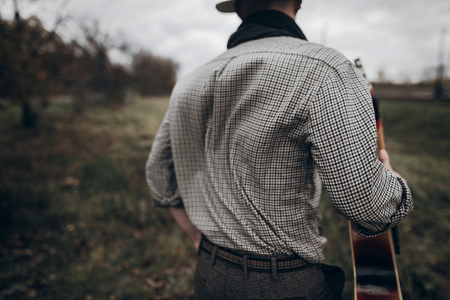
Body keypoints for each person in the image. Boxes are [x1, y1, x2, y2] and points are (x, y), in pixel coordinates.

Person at [145, 0, 413, 299]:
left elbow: (158, 174)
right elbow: (367, 207)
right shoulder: (325, 68)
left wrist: (198, 238)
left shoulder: (188, 83)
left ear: (237, 8)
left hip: (210, 273)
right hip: (284, 282)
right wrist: (391, 184)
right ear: (298, 2)